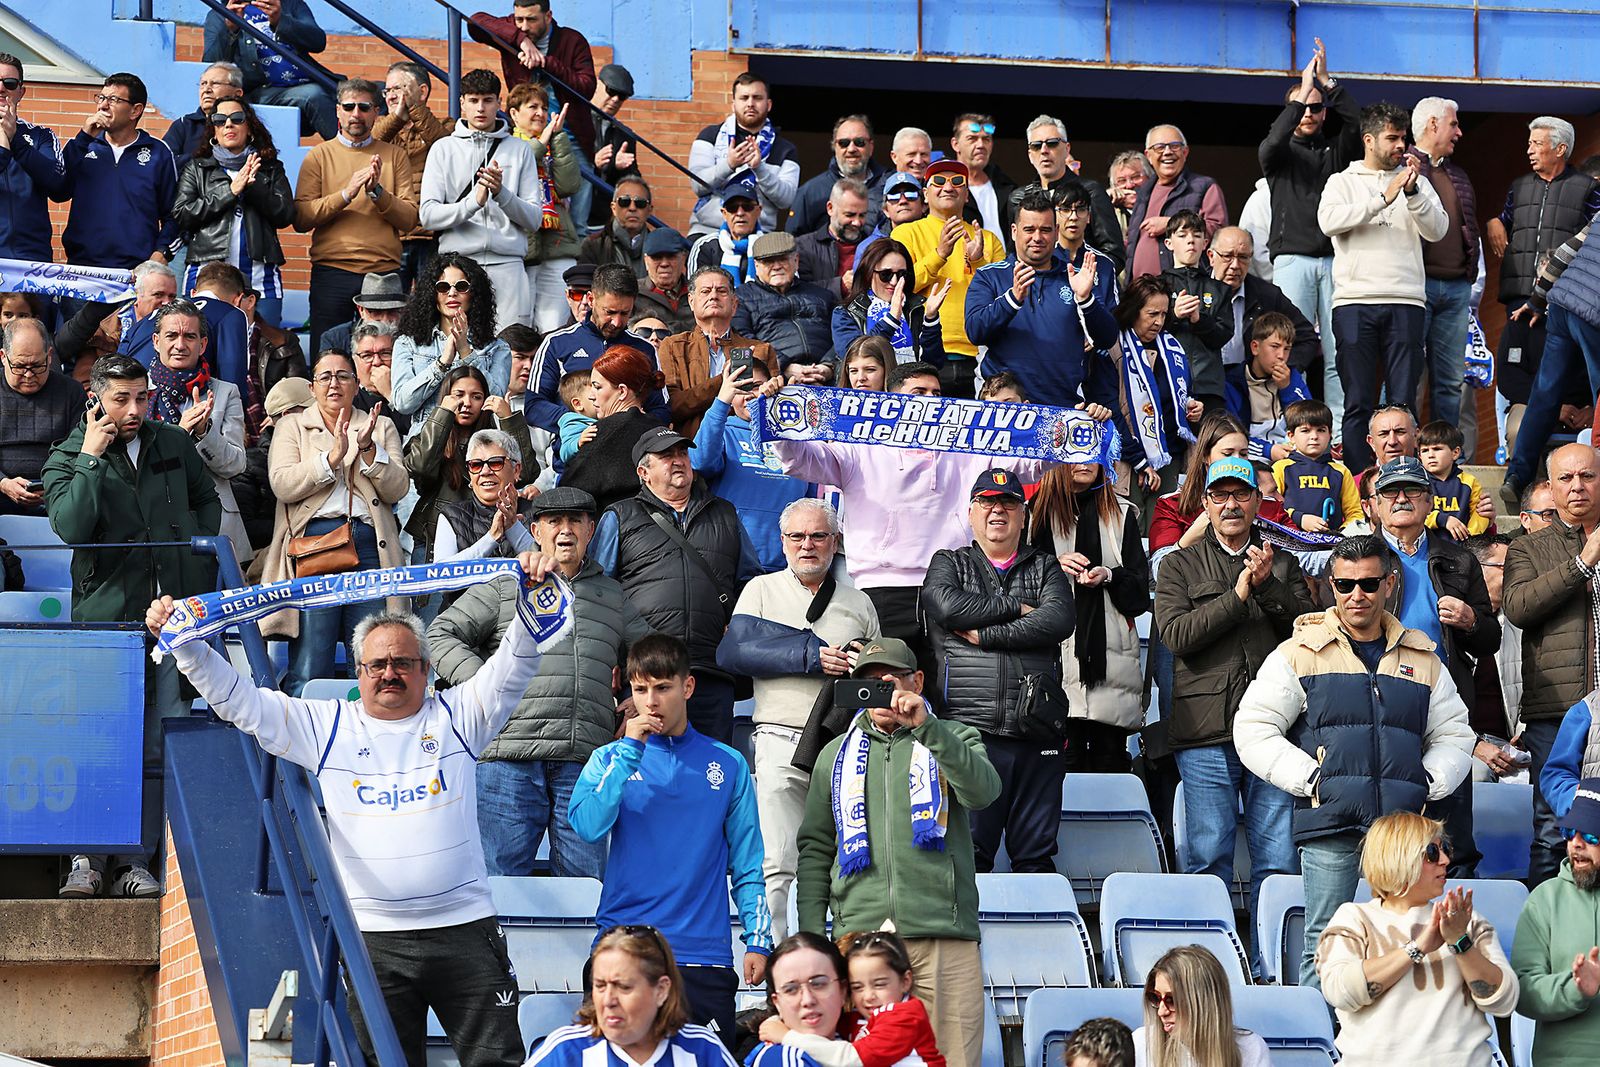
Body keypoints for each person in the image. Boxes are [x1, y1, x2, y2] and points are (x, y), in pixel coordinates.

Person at [145, 550, 576, 1067]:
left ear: (427, 670)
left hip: (466, 930)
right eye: (377, 664)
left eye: (402, 663)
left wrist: (533, 585)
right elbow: (242, 703)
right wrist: (188, 647)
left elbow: (516, 662)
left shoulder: (461, 713)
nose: (389, 673)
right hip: (374, 941)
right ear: (359, 668)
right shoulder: (329, 726)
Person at [1234, 533, 1475, 989]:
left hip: (1403, 829)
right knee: (1324, 945)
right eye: (1345, 585)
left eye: (1368, 583)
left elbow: (1455, 732)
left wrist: (1426, 780)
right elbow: (1252, 728)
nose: (1356, 595)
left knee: (1406, 940)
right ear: (1331, 585)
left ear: (1389, 582)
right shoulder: (1298, 651)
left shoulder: (1423, 655)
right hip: (1332, 822)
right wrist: (1313, 780)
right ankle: (1320, 1053)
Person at [44, 354, 220, 899]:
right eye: (121, 399)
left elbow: (206, 504)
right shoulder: (67, 454)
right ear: (95, 398)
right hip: (104, 626)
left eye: (141, 397)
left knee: (154, 748)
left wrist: (194, 567)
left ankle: (134, 862)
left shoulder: (174, 442)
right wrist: (92, 459)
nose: (135, 409)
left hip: (170, 621)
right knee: (96, 744)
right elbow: (70, 528)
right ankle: (85, 859)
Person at [795, 637, 1001, 1067]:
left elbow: (984, 792)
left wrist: (928, 727)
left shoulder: (954, 736)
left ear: (917, 681)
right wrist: (814, 936)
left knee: (956, 1060)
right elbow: (815, 848)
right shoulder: (834, 755)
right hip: (861, 942)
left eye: (889, 681)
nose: (880, 694)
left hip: (944, 937)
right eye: (866, 684)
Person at [429, 486, 650, 878]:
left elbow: (653, 654)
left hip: (584, 762)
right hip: (507, 760)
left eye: (575, 521)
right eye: (554, 521)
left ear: (591, 529)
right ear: (535, 530)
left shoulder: (612, 595)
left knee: (586, 893)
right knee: (499, 887)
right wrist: (484, 683)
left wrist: (640, 695)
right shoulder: (506, 585)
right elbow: (439, 634)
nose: (564, 530)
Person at [569, 634, 771, 1041]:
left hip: (703, 955)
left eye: (663, 687)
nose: (651, 701)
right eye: (640, 689)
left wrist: (758, 939)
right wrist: (629, 750)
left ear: (688, 687)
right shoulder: (609, 759)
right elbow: (587, 826)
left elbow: (748, 863)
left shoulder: (727, 763)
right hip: (622, 946)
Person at [1154, 456, 1310, 976]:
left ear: (1257, 502)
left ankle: (1274, 967)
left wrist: (1265, 585)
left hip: (1274, 733)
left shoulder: (1281, 561)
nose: (1230, 504)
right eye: (1219, 495)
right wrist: (1240, 593)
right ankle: (1208, 968)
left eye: (1240, 494)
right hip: (1205, 732)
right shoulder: (1179, 564)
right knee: (1207, 857)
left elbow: (1304, 632)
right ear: (1205, 504)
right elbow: (1177, 637)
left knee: (1278, 859)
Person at [715, 498, 880, 937]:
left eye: (818, 536)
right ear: (783, 542)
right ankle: (772, 957)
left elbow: (883, 672)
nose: (807, 545)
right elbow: (733, 653)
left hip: (844, 745)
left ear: (835, 542)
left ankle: (845, 959)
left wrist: (862, 660)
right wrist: (810, 655)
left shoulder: (859, 603)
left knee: (850, 857)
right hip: (779, 736)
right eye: (797, 536)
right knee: (777, 860)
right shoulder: (761, 589)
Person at [922, 468, 1076, 872]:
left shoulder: (1044, 566)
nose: (997, 510)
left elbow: (1059, 619)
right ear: (971, 512)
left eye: (1008, 502)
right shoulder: (949, 562)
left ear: (1023, 515)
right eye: (987, 502)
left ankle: (1039, 936)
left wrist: (987, 635)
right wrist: (1016, 608)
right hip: (971, 734)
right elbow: (945, 605)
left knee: (1036, 858)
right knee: (968, 858)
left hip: (1037, 730)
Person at [588, 427, 760, 742]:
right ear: (643, 472)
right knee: (649, 777)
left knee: (711, 776)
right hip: (648, 674)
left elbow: (752, 583)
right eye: (666, 455)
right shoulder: (620, 516)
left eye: (682, 453)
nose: (678, 461)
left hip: (712, 671)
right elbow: (599, 593)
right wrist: (615, 668)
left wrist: (737, 624)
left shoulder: (725, 513)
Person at [1316, 811, 1518, 1066]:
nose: (1445, 860)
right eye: (1432, 852)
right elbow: (1340, 991)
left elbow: (1504, 1001)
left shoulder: (1466, 920)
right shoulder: (1354, 917)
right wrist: (1418, 947)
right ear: (1398, 857)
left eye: (1446, 849)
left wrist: (1459, 942)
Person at [262, 350, 409, 696]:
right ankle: (302, 747)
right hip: (315, 543)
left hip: (372, 546)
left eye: (343, 376)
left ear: (357, 385)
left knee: (372, 653)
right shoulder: (292, 426)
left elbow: (398, 488)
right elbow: (281, 483)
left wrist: (369, 452)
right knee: (312, 657)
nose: (334, 383)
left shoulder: (380, 425)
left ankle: (369, 739)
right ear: (312, 388)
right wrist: (329, 461)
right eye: (325, 377)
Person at [1316, 102, 1448, 475]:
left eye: (1403, 137)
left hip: (1407, 301)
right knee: (1358, 399)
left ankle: (1403, 476)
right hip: (1354, 302)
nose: (1399, 145)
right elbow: (1328, 222)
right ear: (1369, 139)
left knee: (1403, 401)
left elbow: (1438, 229)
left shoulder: (1415, 182)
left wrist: (1413, 193)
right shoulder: (1342, 180)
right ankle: (1361, 482)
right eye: (1392, 138)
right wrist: (1381, 198)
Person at [1503, 442, 1600, 884]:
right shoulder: (1527, 548)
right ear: (1550, 486)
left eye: (1587, 476)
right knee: (1550, 830)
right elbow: (1519, 608)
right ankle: (1544, 931)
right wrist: (1583, 562)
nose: (1577, 486)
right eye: (1566, 478)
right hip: (1556, 711)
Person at [1487, 117, 1600, 487]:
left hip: (1561, 304)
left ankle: (1516, 477)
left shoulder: (1594, 210)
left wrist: (1538, 301)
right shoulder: (1522, 187)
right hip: (1590, 311)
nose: (1530, 149)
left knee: (1544, 394)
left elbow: (1565, 251)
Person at [1259, 38, 1362, 430]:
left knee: (1340, 352)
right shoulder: (1279, 155)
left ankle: (1335, 429)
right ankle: (1289, 425)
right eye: (1301, 107)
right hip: (1292, 259)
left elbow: (1358, 123)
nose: (1308, 113)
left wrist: (1327, 84)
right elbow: (1271, 142)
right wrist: (1302, 93)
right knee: (1287, 350)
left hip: (1336, 260)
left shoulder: (1335, 151)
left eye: (1315, 107)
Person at [1031, 461, 1150, 773]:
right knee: (1059, 773)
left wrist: (1109, 575)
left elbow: (1139, 596)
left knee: (1110, 767)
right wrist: (1052, 565)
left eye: (1091, 451)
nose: (1083, 462)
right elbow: (1016, 586)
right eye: (1074, 452)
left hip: (1112, 664)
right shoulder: (1035, 514)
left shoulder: (1121, 514)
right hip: (1056, 665)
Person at [293, 78, 419, 356]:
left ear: (377, 112)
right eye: (349, 106)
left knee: (386, 355)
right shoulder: (319, 156)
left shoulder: (394, 156)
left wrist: (377, 192)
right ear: (337, 110)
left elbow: (410, 219)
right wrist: (346, 194)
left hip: (383, 273)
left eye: (364, 107)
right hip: (333, 271)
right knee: (328, 358)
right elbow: (301, 218)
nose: (356, 114)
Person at [417, 69, 544, 333]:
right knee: (457, 352)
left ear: (499, 103)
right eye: (473, 100)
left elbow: (534, 219)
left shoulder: (520, 149)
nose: (480, 108)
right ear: (461, 102)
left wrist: (501, 193)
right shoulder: (443, 148)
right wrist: (473, 203)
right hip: (458, 266)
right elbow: (427, 215)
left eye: (487, 100)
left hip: (508, 265)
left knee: (510, 349)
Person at [966, 188, 1117, 408]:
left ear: (1056, 232)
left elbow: (1107, 339)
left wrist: (1085, 299)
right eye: (1029, 229)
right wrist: (1012, 299)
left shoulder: (1076, 277)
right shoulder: (990, 275)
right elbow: (975, 331)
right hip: (1005, 407)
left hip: (1063, 407)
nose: (1037, 237)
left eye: (1045, 230)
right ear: (1014, 231)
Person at [526, 925, 736, 1067]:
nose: (608, 1000)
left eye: (624, 987)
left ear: (661, 990)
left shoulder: (703, 1050)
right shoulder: (565, 1052)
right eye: (600, 986)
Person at [173, 96, 294, 331]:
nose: (228, 124)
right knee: (201, 344)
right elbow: (183, 214)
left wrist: (254, 185)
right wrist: (230, 192)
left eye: (237, 118)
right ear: (214, 132)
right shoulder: (197, 168)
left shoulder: (270, 168)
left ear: (249, 128)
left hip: (260, 277)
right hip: (206, 274)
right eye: (220, 120)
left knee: (263, 347)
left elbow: (285, 215)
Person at [145, 299, 251, 564]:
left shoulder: (225, 392)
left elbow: (235, 465)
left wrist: (205, 432)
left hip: (212, 522)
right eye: (172, 335)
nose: (180, 345)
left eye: (189, 336)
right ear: (156, 341)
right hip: (152, 518)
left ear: (202, 344)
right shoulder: (136, 391)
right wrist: (179, 435)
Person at [891, 159, 1005, 398]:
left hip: (979, 355)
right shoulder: (905, 233)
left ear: (966, 195)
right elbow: (900, 287)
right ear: (925, 193)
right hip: (923, 352)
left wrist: (978, 262)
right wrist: (940, 254)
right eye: (939, 181)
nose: (948, 186)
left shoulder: (988, 239)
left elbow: (1004, 297)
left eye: (957, 181)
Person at [1511, 777, 1600, 1067]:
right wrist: (1576, 989)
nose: (1575, 844)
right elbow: (1523, 991)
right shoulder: (1545, 900)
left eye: (1591, 836)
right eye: (1570, 832)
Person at [688, 360, 811, 570]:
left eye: (756, 386)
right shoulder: (723, 431)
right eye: (740, 387)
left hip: (788, 562)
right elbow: (699, 462)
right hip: (731, 560)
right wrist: (721, 402)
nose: (749, 395)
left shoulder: (794, 437)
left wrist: (788, 404)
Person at [758, 930, 946, 1067]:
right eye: (858, 987)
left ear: (905, 981)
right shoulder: (860, 1017)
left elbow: (851, 1058)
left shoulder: (903, 1016)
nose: (868, 996)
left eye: (880, 984)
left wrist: (786, 1035)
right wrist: (777, 1021)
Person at [407, 366, 536, 561]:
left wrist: (509, 420)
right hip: (434, 536)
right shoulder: (431, 433)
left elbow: (525, 472)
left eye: (476, 397)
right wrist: (443, 415)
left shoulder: (496, 439)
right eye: (458, 395)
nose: (466, 403)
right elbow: (419, 467)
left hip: (494, 528)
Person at [1407, 97, 1480, 430]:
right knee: (1406, 376)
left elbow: (1469, 226)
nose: (1460, 132)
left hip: (1456, 288)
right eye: (1454, 124)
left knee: (1451, 381)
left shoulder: (1460, 175)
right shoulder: (1401, 166)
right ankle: (1398, 456)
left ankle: (1445, 451)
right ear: (1432, 124)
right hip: (1413, 287)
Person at [58, 73, 179, 271]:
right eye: (101, 98)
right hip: (82, 270)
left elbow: (174, 215)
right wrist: (83, 138)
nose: (103, 106)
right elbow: (58, 191)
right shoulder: (83, 146)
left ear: (135, 111)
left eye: (113, 100)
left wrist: (162, 252)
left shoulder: (159, 152)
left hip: (134, 275)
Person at [527, 263, 667, 433]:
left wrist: (630, 425)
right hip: (575, 452)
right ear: (591, 300)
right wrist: (577, 423)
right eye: (610, 312)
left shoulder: (644, 348)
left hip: (631, 451)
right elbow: (534, 405)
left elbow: (662, 408)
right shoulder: (556, 343)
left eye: (625, 313)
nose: (616, 322)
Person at [390, 253, 513, 426]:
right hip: (427, 443)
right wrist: (442, 364)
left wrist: (466, 353)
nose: (452, 293)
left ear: (475, 293)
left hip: (476, 444)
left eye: (461, 286)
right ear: (432, 294)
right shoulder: (407, 343)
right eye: (443, 287)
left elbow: (495, 402)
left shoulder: (498, 348)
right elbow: (402, 403)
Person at [657, 265, 779, 437]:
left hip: (745, 445)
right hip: (689, 445)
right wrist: (725, 380)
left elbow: (771, 408)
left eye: (721, 291)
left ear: (734, 304)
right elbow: (672, 407)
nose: (713, 296)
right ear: (691, 302)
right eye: (705, 291)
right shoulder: (673, 345)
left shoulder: (760, 350)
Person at [467, 0, 600, 156]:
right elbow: (475, 23)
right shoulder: (512, 29)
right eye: (519, 19)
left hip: (568, 139)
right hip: (522, 135)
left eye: (531, 20)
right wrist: (520, 39)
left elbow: (587, 87)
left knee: (576, 180)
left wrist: (547, 63)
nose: (524, 26)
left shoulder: (572, 40)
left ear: (548, 16)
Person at [1110, 275, 1203, 494]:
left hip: (1170, 455)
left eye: (1164, 314)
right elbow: (1112, 409)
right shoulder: (1114, 347)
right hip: (1128, 458)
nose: (1159, 322)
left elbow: (1182, 392)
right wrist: (1139, 460)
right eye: (1152, 314)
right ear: (1133, 311)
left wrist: (1191, 406)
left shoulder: (1171, 346)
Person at [1207, 226, 1322, 389]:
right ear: (1211, 256)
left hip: (1251, 387)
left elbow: (1307, 337)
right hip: (1205, 387)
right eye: (1227, 256)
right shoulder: (1195, 289)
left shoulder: (1267, 295)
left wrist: (1280, 366)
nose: (1235, 265)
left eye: (1243, 257)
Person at [202, 0, 336, 140]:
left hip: (307, 83)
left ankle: (354, 152)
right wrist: (230, 29)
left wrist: (280, 20)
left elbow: (318, 42)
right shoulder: (218, 13)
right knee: (314, 95)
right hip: (260, 91)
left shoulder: (291, 4)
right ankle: (346, 153)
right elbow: (211, 66)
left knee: (352, 97)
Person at [688, 72, 800, 237]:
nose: (750, 103)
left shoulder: (785, 149)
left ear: (768, 104)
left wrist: (759, 169)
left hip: (760, 236)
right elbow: (697, 185)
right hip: (707, 231)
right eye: (744, 98)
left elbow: (786, 200)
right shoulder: (709, 136)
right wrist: (729, 164)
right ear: (733, 104)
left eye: (757, 98)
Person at [558, 346, 668, 511]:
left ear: (622, 391)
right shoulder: (661, 430)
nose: (591, 395)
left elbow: (569, 496)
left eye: (597, 386)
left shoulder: (600, 433)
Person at [375, 60, 451, 287]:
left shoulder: (446, 125)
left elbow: (444, 146)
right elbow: (369, 147)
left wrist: (414, 109)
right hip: (388, 238)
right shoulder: (380, 126)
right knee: (388, 309)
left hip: (431, 238)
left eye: (397, 89)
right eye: (387, 91)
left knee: (428, 309)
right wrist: (397, 118)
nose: (389, 97)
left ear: (423, 91)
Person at [0, 318, 86, 517]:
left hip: (59, 491)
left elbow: (79, 448)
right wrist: (3, 483)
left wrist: (55, 481)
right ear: (4, 357)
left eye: (37, 366)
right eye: (20, 366)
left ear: (49, 357)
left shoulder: (71, 392)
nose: (29, 375)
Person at [1132, 945, 1271, 1067]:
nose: (1161, 1012)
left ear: (1202, 1002)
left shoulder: (1250, 1048)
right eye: (1155, 998)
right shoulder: (1141, 1043)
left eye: (1172, 1000)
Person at [1019, 114, 1125, 271]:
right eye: (1036, 145)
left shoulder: (1090, 191)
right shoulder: (1020, 198)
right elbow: (1014, 253)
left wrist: (1083, 280)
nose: (1044, 151)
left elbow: (1114, 253)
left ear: (1067, 149)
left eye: (1052, 143)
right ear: (1029, 154)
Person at [1126, 124, 1228, 279]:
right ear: (1148, 156)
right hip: (1141, 292)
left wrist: (1171, 224)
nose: (1167, 152)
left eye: (1174, 146)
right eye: (1159, 147)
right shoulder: (1143, 192)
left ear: (1185, 152)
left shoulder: (1204, 186)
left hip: (1183, 288)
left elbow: (1219, 232)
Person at [829, 238, 949, 369]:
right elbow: (857, 358)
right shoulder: (846, 312)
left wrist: (931, 319)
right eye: (885, 274)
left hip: (908, 388)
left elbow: (934, 364)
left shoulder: (914, 309)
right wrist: (891, 320)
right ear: (869, 273)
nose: (894, 281)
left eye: (901, 274)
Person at [732, 232, 837, 378]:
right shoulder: (741, 297)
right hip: (773, 379)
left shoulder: (823, 295)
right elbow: (741, 340)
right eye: (768, 261)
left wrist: (828, 366)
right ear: (756, 266)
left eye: (782, 259)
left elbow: (841, 334)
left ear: (796, 260)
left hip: (826, 376)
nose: (776, 267)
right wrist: (783, 366)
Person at [1159, 210, 1234, 411]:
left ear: (1205, 243)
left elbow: (1223, 334)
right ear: (1169, 243)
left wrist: (1198, 320)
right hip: (1165, 381)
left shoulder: (1220, 289)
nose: (1190, 241)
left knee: (1209, 440)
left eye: (1197, 235)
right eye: (1182, 236)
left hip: (1208, 386)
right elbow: (1144, 331)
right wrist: (1174, 315)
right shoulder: (1156, 285)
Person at [427, 428, 535, 563]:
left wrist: (513, 526)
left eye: (495, 462)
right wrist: (491, 537)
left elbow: (552, 566)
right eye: (476, 465)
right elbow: (441, 573)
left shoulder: (538, 513)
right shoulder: (451, 516)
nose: (485, 472)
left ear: (516, 470)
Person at [745, 933, 851, 1067]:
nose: (807, 1000)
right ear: (777, 1003)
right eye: (791, 989)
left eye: (818, 984)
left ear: (843, 990)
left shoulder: (860, 1041)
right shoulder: (782, 1059)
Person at [1224, 313, 1314, 466]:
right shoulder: (1232, 382)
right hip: (1248, 458)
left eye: (1287, 349)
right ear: (1255, 347)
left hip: (1290, 457)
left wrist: (1287, 389)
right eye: (1275, 347)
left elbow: (1311, 421)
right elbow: (1229, 434)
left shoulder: (1292, 377)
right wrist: (1268, 450)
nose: (1281, 356)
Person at [0, 51, 62, 263]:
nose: (1, 88)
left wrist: (15, 140)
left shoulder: (41, 136)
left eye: (9, 83)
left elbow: (58, 186)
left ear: (21, 92)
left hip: (31, 262)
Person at [1271, 399, 1361, 534]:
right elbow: (1270, 506)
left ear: (1330, 434)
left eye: (1321, 430)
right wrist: (1299, 518)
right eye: (1305, 430)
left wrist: (1341, 534)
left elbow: (1355, 513)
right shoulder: (1281, 468)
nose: (1314, 436)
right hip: (1289, 543)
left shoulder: (1341, 471)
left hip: (1331, 546)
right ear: (1291, 436)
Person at [792, 115, 888, 238]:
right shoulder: (810, 192)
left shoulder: (888, 186)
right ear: (834, 147)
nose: (851, 149)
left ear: (871, 147)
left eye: (859, 142)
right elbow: (794, 240)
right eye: (844, 143)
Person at [795, 177, 871, 302]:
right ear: (830, 208)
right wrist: (840, 286)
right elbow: (799, 293)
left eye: (862, 215)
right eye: (850, 215)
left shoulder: (874, 245)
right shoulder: (803, 246)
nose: (857, 222)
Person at [688, 173, 766, 287]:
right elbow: (696, 294)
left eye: (747, 207)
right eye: (732, 208)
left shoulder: (772, 246)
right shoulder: (704, 246)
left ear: (759, 211)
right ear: (724, 214)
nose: (740, 213)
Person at [587, 63, 640, 231]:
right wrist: (593, 163)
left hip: (603, 218)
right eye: (611, 91)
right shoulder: (574, 121)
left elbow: (634, 182)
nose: (616, 99)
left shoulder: (624, 136)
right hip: (573, 211)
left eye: (622, 96)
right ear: (597, 85)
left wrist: (618, 168)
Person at [163, 63, 244, 167]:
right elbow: (163, 163)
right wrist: (203, 157)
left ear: (237, 93)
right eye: (203, 84)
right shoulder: (184, 125)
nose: (206, 90)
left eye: (215, 83)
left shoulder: (245, 125)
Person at [1418, 420, 1488, 539]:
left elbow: (1480, 513)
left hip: (1462, 547)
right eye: (1425, 450)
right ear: (1419, 455)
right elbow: (1414, 515)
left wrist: (1470, 536)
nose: (1430, 455)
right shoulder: (1418, 481)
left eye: (1437, 449)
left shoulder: (1469, 482)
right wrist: (1443, 519)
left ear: (1455, 453)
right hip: (1427, 548)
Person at [319, 271, 408, 361]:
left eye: (392, 312)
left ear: (402, 311)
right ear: (361, 310)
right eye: (376, 312)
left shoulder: (412, 338)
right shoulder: (335, 339)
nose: (384, 320)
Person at [579, 175, 652, 277]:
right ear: (613, 208)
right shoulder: (593, 245)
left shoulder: (660, 248)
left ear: (649, 210)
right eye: (624, 201)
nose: (632, 208)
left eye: (640, 203)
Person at [350, 320, 410, 437]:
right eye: (367, 355)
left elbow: (413, 430)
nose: (377, 362)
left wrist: (390, 394)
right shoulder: (348, 396)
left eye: (385, 353)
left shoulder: (411, 389)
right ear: (355, 361)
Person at [855, 171, 928, 262]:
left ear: (924, 206)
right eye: (894, 196)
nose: (903, 201)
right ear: (886, 210)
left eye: (911, 194)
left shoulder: (937, 237)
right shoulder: (867, 247)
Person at [634, 227, 695, 332]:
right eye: (657, 257)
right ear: (646, 261)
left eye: (671, 256)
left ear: (684, 258)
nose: (664, 264)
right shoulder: (633, 293)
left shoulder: (700, 293)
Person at [1108, 151, 1152, 246]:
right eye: (1122, 181)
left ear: (1150, 178)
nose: (1129, 185)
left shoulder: (1160, 205)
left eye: (1136, 177)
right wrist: (1104, 200)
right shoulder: (1108, 211)